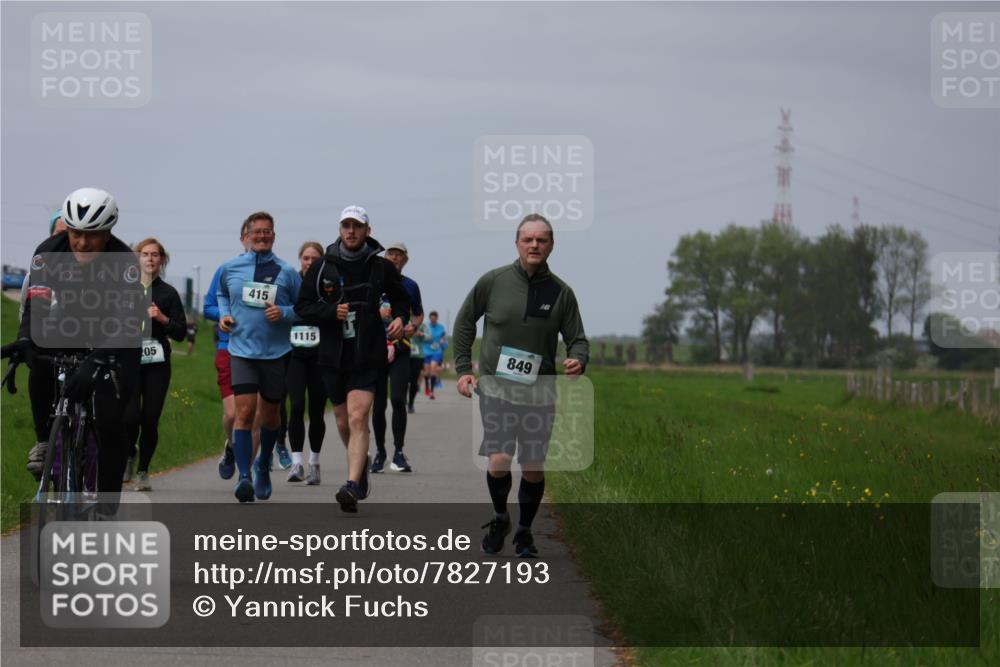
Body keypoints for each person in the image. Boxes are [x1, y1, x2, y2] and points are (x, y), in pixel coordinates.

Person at [454, 214, 589, 557]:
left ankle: (525, 532)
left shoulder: (562, 293)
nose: (534, 245)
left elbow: (578, 339)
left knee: (533, 467)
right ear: (517, 243)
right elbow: (465, 322)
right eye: (528, 239)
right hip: (497, 389)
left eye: (541, 240)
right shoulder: (494, 281)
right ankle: (501, 517)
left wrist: (577, 359)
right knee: (499, 459)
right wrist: (462, 369)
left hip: (539, 392)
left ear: (551, 245)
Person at [13, 187, 143, 494]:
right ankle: (44, 439)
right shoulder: (48, 252)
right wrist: (24, 338)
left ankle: (108, 503)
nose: (82, 243)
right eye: (75, 233)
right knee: (40, 359)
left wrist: (97, 359)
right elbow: (37, 305)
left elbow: (127, 320)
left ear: (109, 231)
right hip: (68, 329)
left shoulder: (124, 260)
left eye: (93, 235)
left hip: (116, 336)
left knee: (110, 421)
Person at [295, 205, 409, 513]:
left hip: (367, 353)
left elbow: (401, 298)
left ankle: (352, 484)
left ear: (367, 231)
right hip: (332, 354)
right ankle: (360, 464)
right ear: (339, 229)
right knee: (344, 421)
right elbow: (303, 306)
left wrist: (399, 317)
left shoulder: (380, 267)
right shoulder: (322, 266)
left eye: (357, 226)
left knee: (359, 417)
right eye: (346, 225)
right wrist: (330, 312)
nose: (351, 231)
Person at [217, 211, 301, 502]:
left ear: (274, 236)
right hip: (241, 351)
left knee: (271, 416)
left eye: (267, 232)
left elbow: (304, 310)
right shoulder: (230, 267)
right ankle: (244, 476)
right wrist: (225, 315)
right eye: (257, 232)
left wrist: (285, 313)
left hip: (275, 354)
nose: (262, 236)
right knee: (244, 412)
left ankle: (263, 464)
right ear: (247, 236)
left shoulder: (287, 272)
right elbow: (220, 295)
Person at [123, 238, 187, 491]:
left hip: (157, 362)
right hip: (128, 360)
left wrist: (162, 318)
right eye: (145, 254)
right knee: (129, 417)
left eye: (155, 255)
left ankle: (142, 471)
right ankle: (129, 451)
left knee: (150, 418)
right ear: (137, 259)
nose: (150, 258)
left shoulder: (168, 293)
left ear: (162, 260)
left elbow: (181, 332)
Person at [20, 209, 69, 477]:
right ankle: (42, 442)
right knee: (39, 374)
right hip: (48, 341)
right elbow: (26, 314)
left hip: (84, 338)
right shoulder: (38, 270)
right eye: (59, 234)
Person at [371, 241, 423, 474]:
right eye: (391, 253)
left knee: (398, 399)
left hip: (400, 349)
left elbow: (418, 314)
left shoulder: (410, 285)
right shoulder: (373, 282)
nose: (394, 257)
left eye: (399, 254)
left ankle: (398, 452)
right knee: (379, 403)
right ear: (384, 257)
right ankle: (380, 451)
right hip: (375, 349)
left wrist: (412, 325)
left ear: (405, 260)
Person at [285, 241, 328, 485]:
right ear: (300, 260)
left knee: (316, 410)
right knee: (297, 405)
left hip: (320, 356)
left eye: (315, 259)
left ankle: (314, 463)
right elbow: (283, 310)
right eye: (306, 258)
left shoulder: (328, 285)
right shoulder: (291, 284)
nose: (310, 263)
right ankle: (296, 463)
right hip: (295, 355)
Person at [423, 311, 447, 399]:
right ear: (429, 319)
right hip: (426, 351)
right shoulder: (426, 327)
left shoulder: (441, 328)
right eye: (431, 319)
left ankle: (432, 392)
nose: (433, 320)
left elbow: (445, 341)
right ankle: (426, 386)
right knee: (426, 372)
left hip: (437, 352)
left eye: (434, 319)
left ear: (437, 318)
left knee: (433, 368)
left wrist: (443, 342)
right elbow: (422, 338)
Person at [407, 318, 429, 413]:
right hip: (404, 355)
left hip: (418, 356)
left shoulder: (422, 326)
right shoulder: (404, 322)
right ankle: (402, 398)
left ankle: (411, 403)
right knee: (403, 379)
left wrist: (421, 334)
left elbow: (429, 337)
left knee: (414, 381)